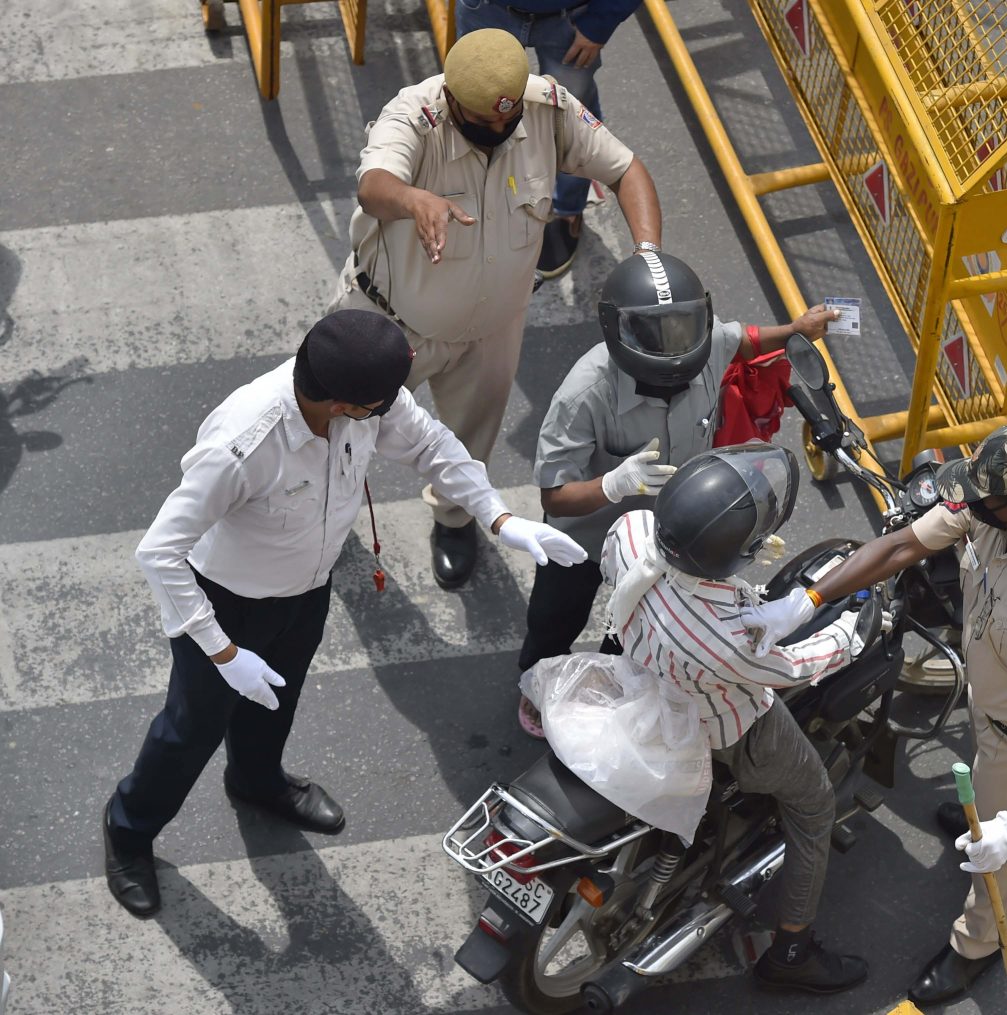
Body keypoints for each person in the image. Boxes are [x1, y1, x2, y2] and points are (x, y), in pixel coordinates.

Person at [103, 310, 588, 919]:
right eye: (382, 403)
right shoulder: (244, 445)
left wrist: (500, 517)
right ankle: (128, 829)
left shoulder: (360, 402)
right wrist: (222, 651)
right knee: (189, 730)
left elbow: (431, 443)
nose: (393, 409)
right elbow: (159, 553)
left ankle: (256, 780)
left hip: (305, 588)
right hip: (223, 603)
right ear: (343, 405)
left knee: (278, 698)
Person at [739, 425, 1007, 1005]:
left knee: (1000, 857)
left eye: (984, 502)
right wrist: (806, 601)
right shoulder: (995, 507)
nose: (969, 504)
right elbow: (901, 547)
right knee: (992, 815)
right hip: (988, 703)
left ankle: (980, 942)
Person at [328, 27, 662, 590]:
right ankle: (326, 519)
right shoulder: (414, 114)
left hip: (492, 329)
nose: (497, 132)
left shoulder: (546, 107)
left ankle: (455, 519)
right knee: (336, 432)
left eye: (506, 124)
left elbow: (625, 169)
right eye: (482, 124)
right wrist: (415, 200)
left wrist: (649, 257)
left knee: (468, 442)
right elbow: (374, 186)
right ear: (453, 100)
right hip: (387, 326)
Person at [516, 250, 838, 735]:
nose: (676, 347)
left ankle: (606, 699)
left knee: (634, 636)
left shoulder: (708, 349)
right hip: (584, 538)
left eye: (685, 329)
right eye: (656, 333)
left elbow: (744, 341)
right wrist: (613, 484)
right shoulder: (584, 394)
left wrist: (793, 330)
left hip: (664, 540)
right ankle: (537, 694)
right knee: (552, 621)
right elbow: (555, 497)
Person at [600, 444, 869, 993]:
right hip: (728, 734)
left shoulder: (630, 533)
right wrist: (851, 634)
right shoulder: (729, 633)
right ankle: (792, 948)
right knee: (815, 804)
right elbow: (792, 667)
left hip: (638, 684)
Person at [453, 0, 645, 279]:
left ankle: (568, 209)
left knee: (572, 116)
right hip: (485, 8)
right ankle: (481, 202)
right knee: (476, 110)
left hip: (572, 16)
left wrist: (600, 22)